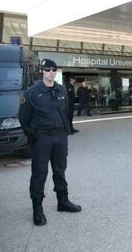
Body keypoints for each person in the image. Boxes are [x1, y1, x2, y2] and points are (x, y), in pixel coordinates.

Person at [19, 59, 82, 226]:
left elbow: (66, 111)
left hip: (60, 137)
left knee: (60, 170)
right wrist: (34, 135)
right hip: (42, 138)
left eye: (53, 69)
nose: (51, 72)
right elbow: (23, 118)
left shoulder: (61, 89)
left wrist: (66, 131)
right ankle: (37, 209)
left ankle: (63, 201)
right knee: (40, 173)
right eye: (47, 69)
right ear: (42, 72)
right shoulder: (31, 92)